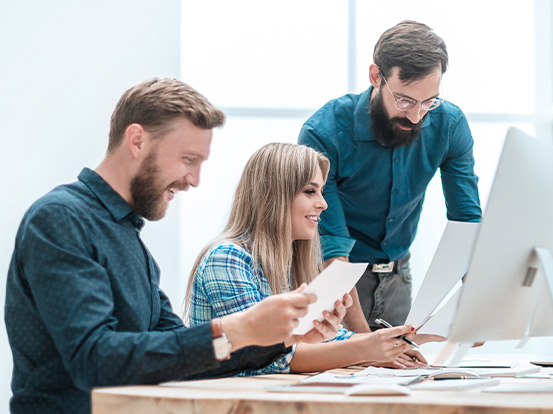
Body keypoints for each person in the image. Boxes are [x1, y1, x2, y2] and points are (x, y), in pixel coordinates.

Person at [4, 78, 348, 414]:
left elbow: (184, 356)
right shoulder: (60, 219)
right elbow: (95, 359)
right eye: (188, 159)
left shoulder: (128, 239)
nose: (194, 180)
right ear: (137, 140)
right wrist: (235, 329)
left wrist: (286, 335)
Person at [298, 21, 482, 333]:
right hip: (336, 277)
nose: (416, 116)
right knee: (344, 373)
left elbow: (467, 220)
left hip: (399, 277)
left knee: (400, 377)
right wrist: (367, 346)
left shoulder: (449, 125)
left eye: (429, 101)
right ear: (375, 77)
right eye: (405, 100)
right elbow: (333, 252)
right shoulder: (324, 133)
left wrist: (477, 308)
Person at [185, 142, 426, 374]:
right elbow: (267, 356)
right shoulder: (227, 259)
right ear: (273, 196)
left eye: (321, 191)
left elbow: (325, 338)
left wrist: (388, 347)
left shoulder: (287, 264)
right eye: (310, 191)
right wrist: (367, 349)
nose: (323, 204)